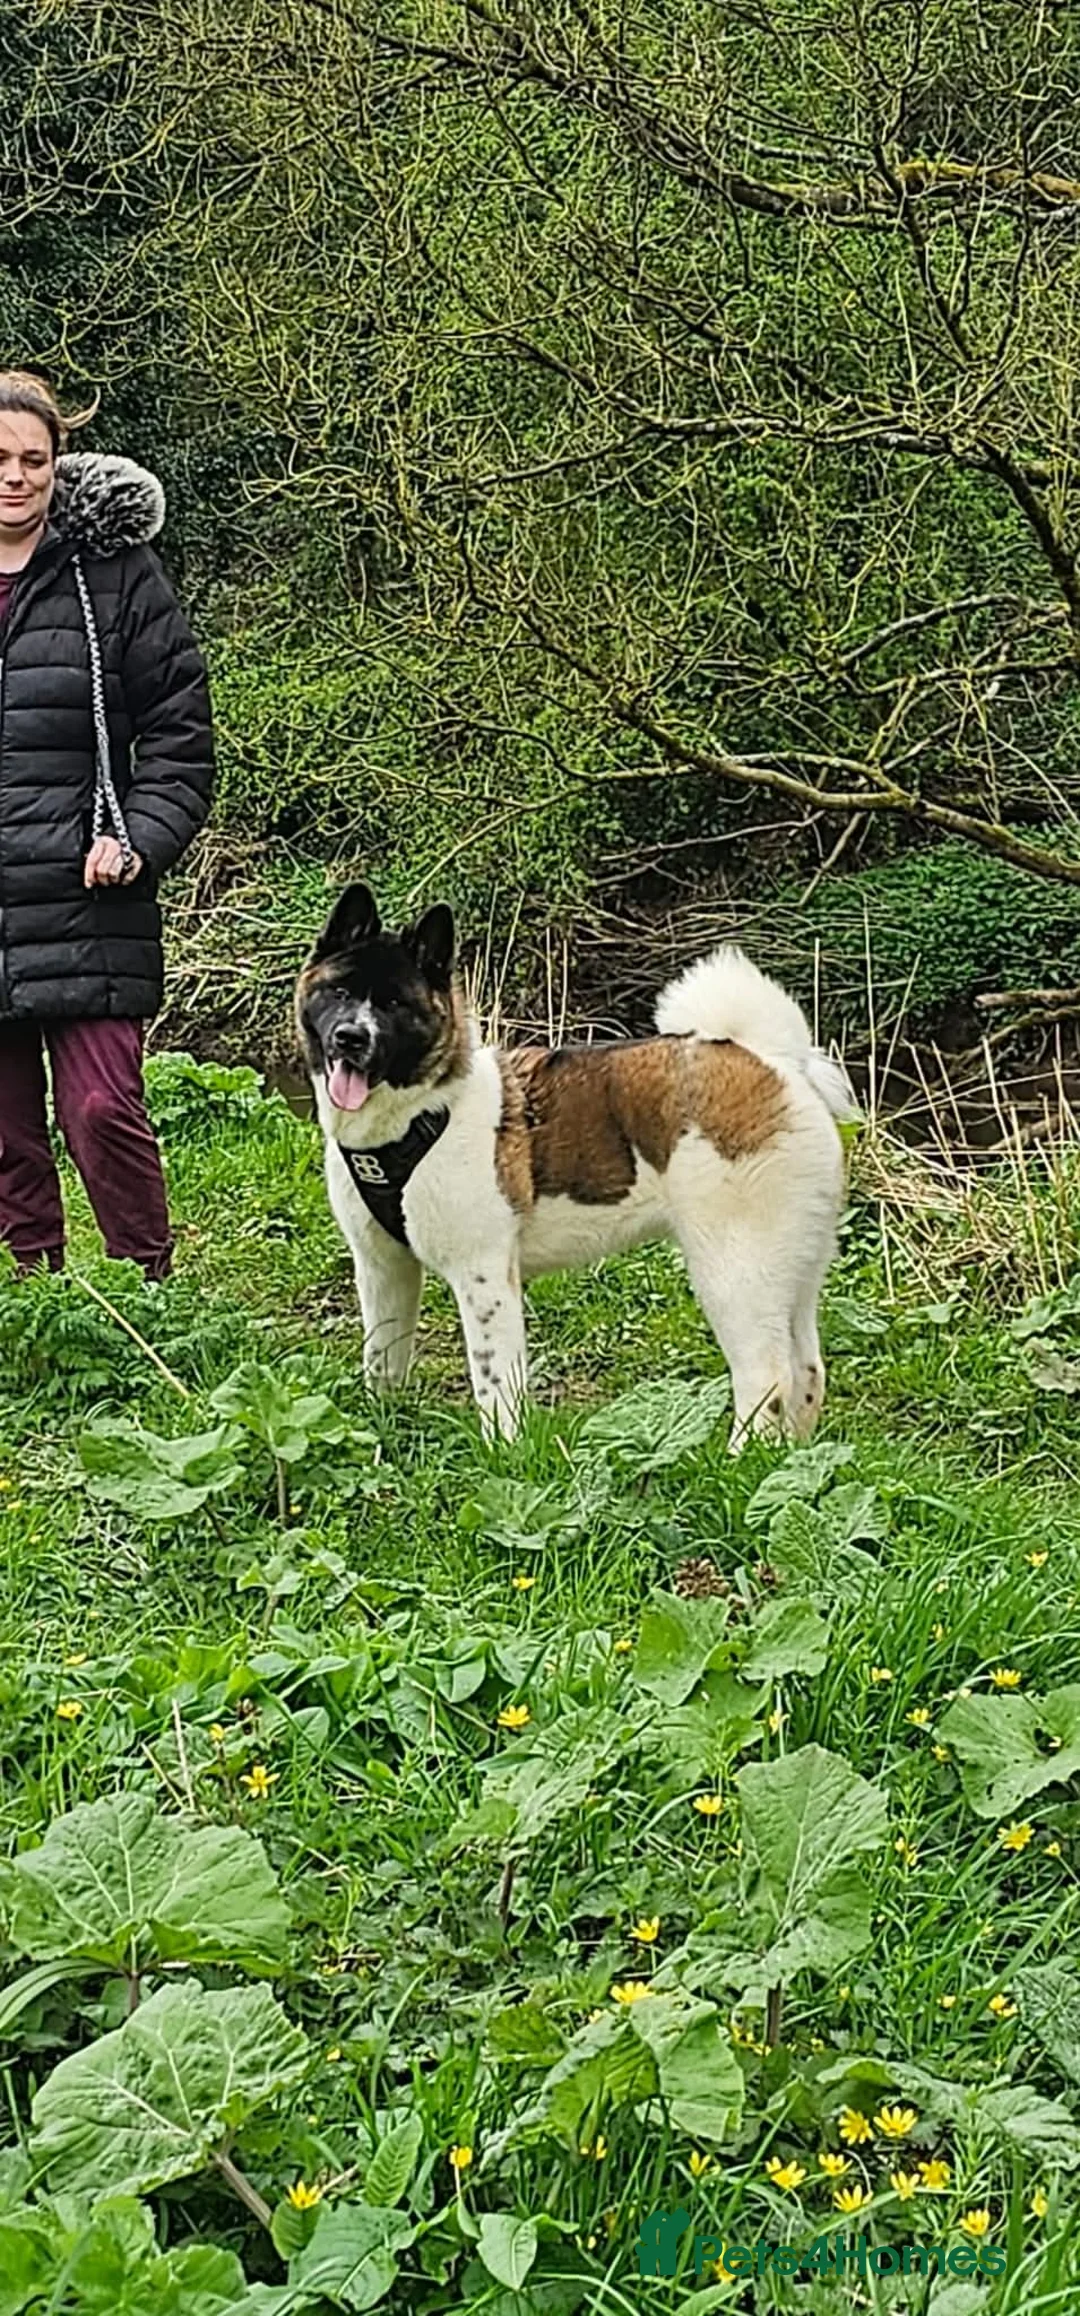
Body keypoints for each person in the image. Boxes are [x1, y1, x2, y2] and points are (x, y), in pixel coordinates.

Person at [0, 370, 214, 1280]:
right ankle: (39, 1297)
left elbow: (180, 734)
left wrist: (139, 841)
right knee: (4, 1130)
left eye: (33, 460)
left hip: (93, 898)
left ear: (59, 467)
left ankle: (148, 1285)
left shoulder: (115, 576)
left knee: (99, 1109)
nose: (15, 476)